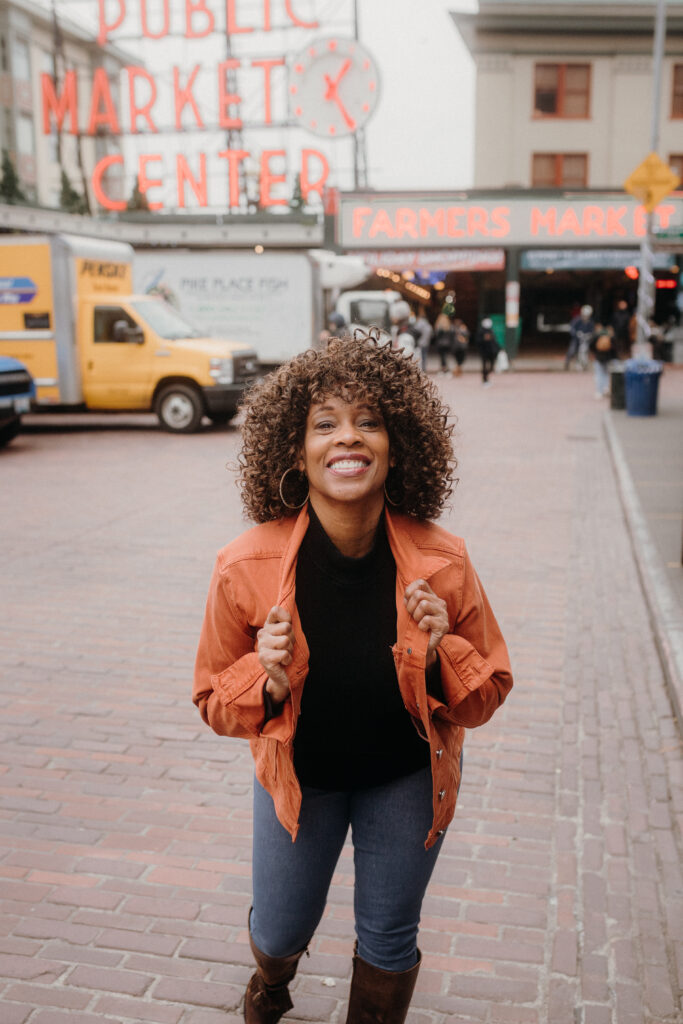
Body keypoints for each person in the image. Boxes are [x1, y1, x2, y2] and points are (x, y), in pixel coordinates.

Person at [193, 333, 513, 1024]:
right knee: (279, 931)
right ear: (295, 448)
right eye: (326, 423)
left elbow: (486, 694)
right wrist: (266, 678)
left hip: (402, 774)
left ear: (397, 446)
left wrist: (437, 651)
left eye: (369, 421)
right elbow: (212, 700)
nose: (349, 438)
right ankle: (271, 983)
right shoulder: (243, 565)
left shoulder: (442, 559)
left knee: (389, 940)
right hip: (298, 779)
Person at [589, 324, 617, 398]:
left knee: (599, 374)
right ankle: (606, 388)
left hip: (599, 357)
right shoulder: (611, 335)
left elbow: (591, 345)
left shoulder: (597, 335)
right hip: (609, 357)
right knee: (606, 373)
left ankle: (599, 391)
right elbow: (615, 347)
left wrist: (595, 352)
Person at [564, 305, 595, 371]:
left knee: (585, 351)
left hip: (585, 339)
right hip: (576, 339)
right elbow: (572, 328)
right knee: (572, 350)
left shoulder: (590, 321)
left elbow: (592, 330)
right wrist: (576, 334)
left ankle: (585, 365)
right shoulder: (577, 319)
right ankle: (567, 364)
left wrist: (589, 335)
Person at [475, 317, 498, 386]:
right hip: (484, 352)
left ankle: (486, 376)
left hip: (491, 352)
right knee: (484, 366)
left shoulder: (491, 331)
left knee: (491, 366)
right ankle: (485, 379)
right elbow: (478, 341)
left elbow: (494, 341)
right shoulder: (481, 332)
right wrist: (484, 339)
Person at [413, 306, 433, 372]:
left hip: (420, 342)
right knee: (424, 355)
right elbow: (431, 333)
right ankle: (424, 367)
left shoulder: (419, 324)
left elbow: (415, 331)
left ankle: (421, 368)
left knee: (420, 356)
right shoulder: (428, 325)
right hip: (426, 342)